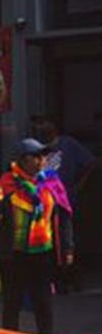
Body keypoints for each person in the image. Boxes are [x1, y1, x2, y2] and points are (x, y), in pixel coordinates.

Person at [0, 138, 74, 334]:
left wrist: (68, 248)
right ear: (23, 160)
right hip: (14, 255)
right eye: (37, 156)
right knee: (12, 303)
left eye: (44, 156)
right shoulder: (6, 184)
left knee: (43, 302)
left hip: (43, 254)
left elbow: (65, 216)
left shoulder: (51, 182)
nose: (43, 160)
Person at [32, 117, 95, 292]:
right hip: (43, 201)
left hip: (64, 199)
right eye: (38, 124)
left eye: (44, 122)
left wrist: (80, 184)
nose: (42, 127)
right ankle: (55, 279)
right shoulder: (36, 149)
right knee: (48, 240)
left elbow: (90, 163)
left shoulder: (68, 144)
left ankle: (71, 276)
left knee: (67, 240)